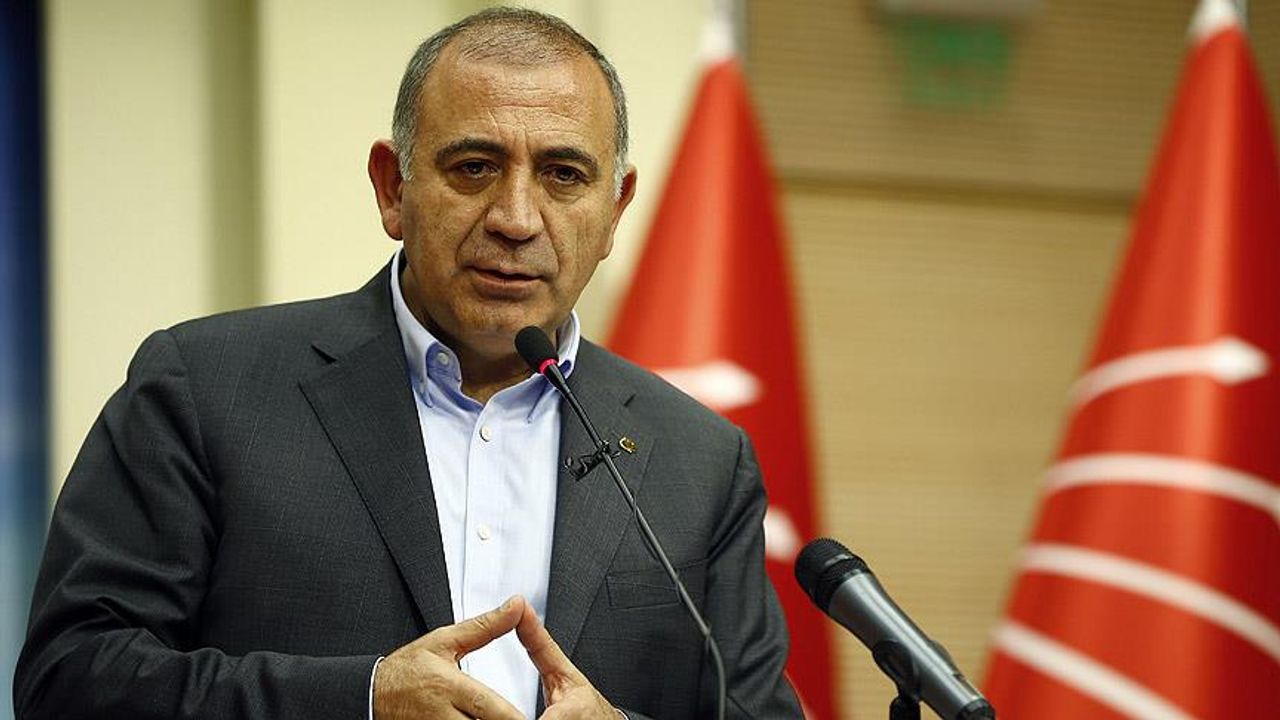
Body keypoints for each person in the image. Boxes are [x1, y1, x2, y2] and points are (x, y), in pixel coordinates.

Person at [15, 8, 802, 719]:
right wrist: (361, 702)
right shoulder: (205, 389)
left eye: (564, 176)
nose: (516, 219)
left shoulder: (700, 460)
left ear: (614, 210)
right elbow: (70, 679)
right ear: (393, 188)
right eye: (474, 167)